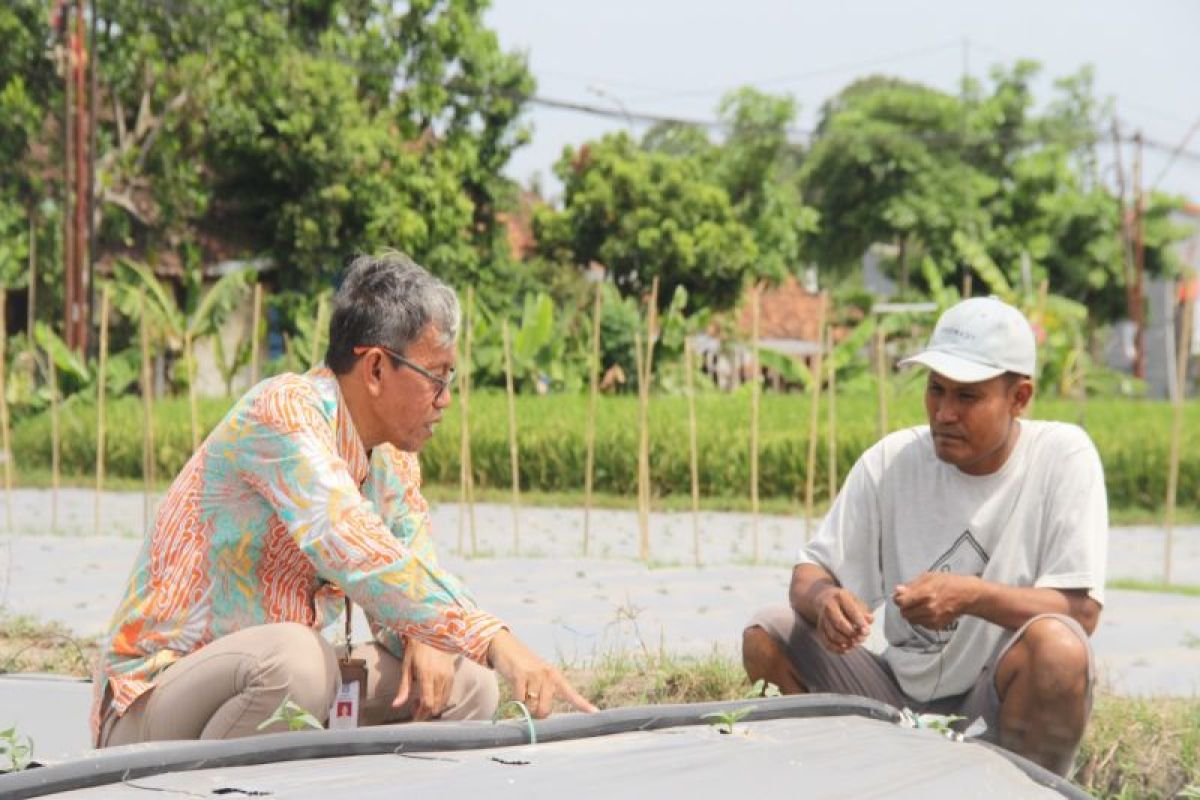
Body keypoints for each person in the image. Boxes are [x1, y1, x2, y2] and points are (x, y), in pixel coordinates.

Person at [92, 252, 596, 746]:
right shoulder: (284, 414)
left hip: (274, 687)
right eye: (436, 377)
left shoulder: (393, 460)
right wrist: (494, 640)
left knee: (466, 685)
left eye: (451, 380)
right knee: (297, 663)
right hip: (157, 698)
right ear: (375, 368)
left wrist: (426, 634)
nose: (445, 398)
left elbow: (408, 565)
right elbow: (352, 546)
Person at [742, 296, 1107, 777]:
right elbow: (809, 575)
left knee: (1058, 649)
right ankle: (850, 782)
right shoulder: (891, 461)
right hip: (895, 700)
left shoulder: (1062, 457)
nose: (945, 412)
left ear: (1019, 398)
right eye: (936, 390)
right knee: (768, 634)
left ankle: (1024, 789)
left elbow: (1081, 611)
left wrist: (971, 596)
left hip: (993, 706)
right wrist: (827, 599)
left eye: (967, 397)